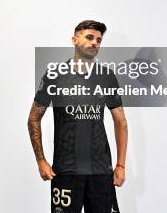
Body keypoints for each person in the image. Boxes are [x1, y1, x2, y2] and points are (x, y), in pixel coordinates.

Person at [28, 20, 128, 213]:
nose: (95, 43)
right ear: (74, 40)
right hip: (66, 170)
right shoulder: (55, 75)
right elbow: (33, 118)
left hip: (100, 170)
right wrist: (41, 160)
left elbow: (121, 121)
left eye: (99, 40)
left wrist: (120, 165)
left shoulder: (106, 77)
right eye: (89, 37)